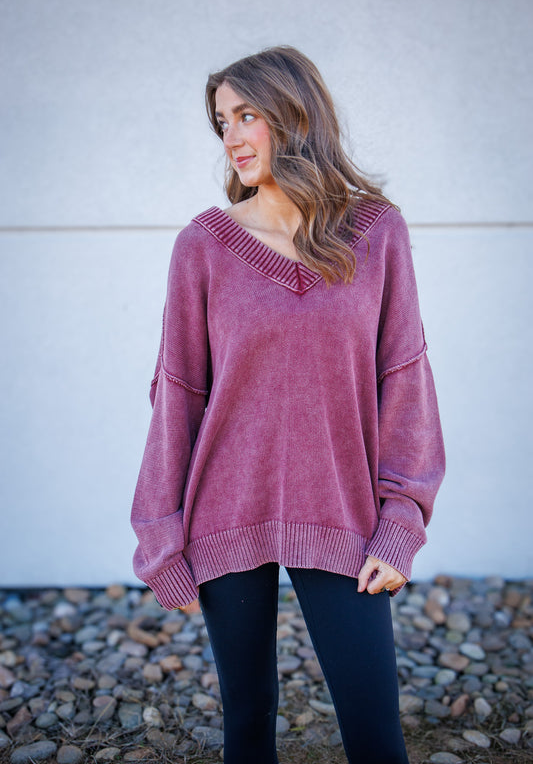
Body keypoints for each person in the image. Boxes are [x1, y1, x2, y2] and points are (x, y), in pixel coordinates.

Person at [131, 46, 445, 764]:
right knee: (247, 726)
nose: (232, 137)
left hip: (342, 516)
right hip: (223, 517)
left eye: (247, 115)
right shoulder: (202, 247)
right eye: (220, 121)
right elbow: (176, 395)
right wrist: (160, 538)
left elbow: (405, 384)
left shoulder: (376, 234)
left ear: (295, 115)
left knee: (374, 734)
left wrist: (401, 522)